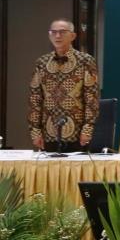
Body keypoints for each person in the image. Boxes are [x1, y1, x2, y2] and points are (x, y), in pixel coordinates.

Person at [28, 18, 100, 152]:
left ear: (73, 36)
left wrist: (87, 129)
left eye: (62, 32)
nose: (57, 36)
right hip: (49, 130)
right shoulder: (42, 62)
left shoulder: (85, 60)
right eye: (53, 32)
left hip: (77, 131)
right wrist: (35, 131)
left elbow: (92, 99)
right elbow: (35, 99)